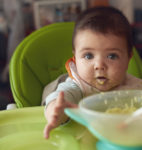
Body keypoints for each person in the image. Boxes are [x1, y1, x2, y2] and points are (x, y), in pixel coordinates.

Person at [43, 6, 142, 139]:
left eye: (112, 56)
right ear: (76, 57)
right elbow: (59, 98)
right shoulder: (77, 86)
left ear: (128, 58)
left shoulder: (135, 87)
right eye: (88, 56)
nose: (99, 66)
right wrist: (56, 112)